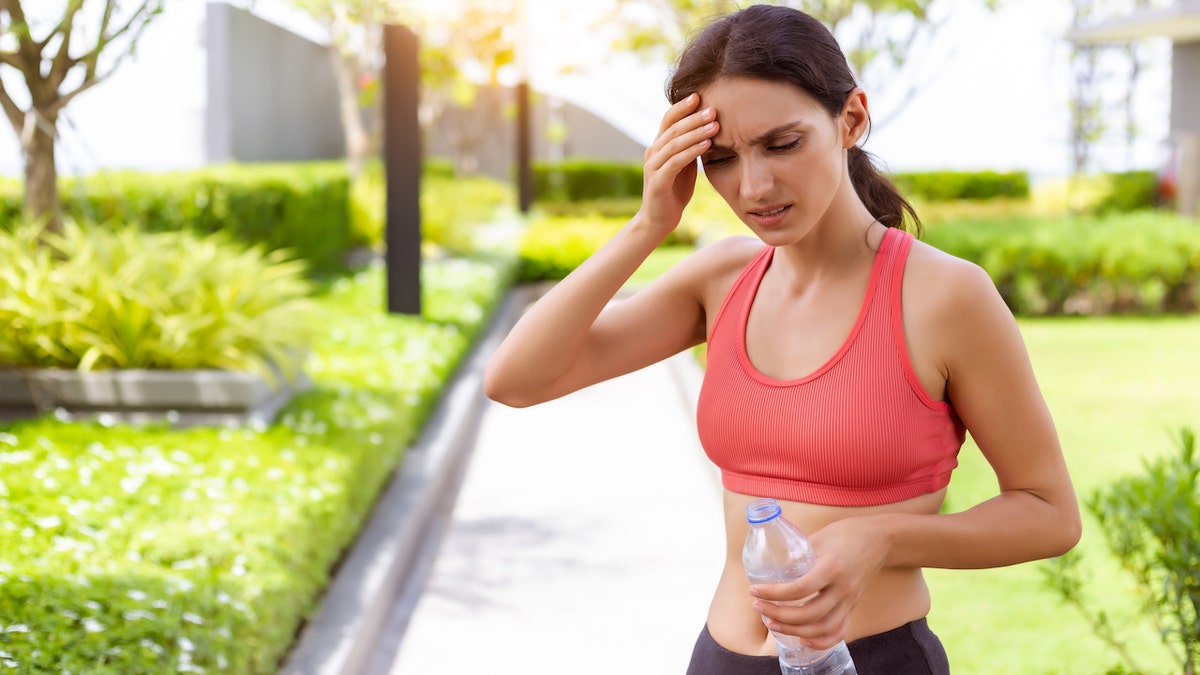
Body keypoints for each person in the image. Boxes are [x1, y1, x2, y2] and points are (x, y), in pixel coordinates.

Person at [483, 4, 1082, 674]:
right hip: (720, 658)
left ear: (851, 118)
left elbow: (1049, 512)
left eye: (781, 143)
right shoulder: (722, 280)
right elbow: (515, 378)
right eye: (720, 158)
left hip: (875, 661)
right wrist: (647, 225)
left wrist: (880, 536)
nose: (754, 186)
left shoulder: (944, 296)